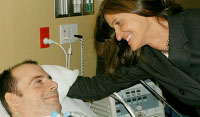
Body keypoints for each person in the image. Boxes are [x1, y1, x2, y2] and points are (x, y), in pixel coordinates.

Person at [67, 0, 200, 116]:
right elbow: (97, 86)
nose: (118, 36)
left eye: (118, 23)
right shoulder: (144, 58)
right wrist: (49, 77)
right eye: (114, 28)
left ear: (142, 9)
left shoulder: (194, 24)